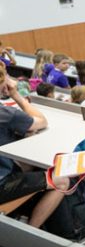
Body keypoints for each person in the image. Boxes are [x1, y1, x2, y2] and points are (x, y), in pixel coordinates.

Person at [0, 68, 68, 228]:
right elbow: (41, 121)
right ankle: (32, 231)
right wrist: (16, 95)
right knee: (62, 180)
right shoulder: (6, 113)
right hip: (1, 185)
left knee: (30, 165)